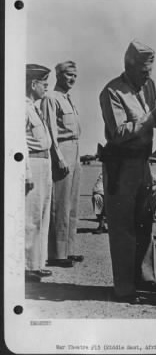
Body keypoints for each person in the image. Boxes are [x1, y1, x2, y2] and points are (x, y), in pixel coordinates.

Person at [99, 40, 156, 304]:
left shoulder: (148, 86)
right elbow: (118, 134)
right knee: (123, 226)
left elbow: (153, 120)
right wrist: (151, 117)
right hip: (121, 164)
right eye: (143, 71)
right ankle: (124, 287)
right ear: (129, 66)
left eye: (150, 71)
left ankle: (144, 277)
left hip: (143, 162)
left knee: (144, 223)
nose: (148, 76)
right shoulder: (111, 92)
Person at [41, 61, 83, 267]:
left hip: (75, 150)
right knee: (60, 204)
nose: (72, 78)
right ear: (58, 75)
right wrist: (58, 157)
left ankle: (69, 249)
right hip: (63, 150)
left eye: (75, 75)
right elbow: (50, 130)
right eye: (68, 75)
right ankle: (57, 253)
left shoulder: (68, 99)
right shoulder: (51, 98)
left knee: (73, 203)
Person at [25, 64, 53, 282]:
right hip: (33, 164)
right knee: (31, 217)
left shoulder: (34, 107)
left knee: (42, 216)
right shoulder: (22, 108)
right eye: (44, 84)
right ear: (33, 84)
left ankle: (37, 263)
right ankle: (27, 266)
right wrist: (26, 172)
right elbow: (18, 144)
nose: (47, 87)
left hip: (44, 162)